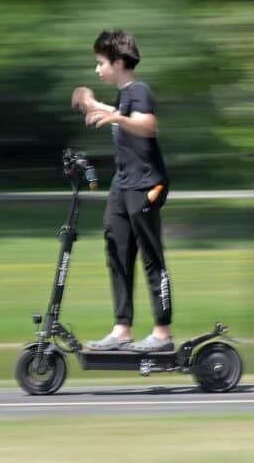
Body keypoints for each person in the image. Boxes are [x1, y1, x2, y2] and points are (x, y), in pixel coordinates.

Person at [71, 29, 173, 352]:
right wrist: (92, 104)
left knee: (151, 257)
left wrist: (112, 115)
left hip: (146, 184)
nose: (97, 69)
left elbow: (147, 126)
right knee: (116, 251)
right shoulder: (124, 95)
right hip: (123, 183)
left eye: (100, 63)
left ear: (118, 62)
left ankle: (161, 333)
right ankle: (122, 328)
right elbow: (123, 117)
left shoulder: (139, 90)